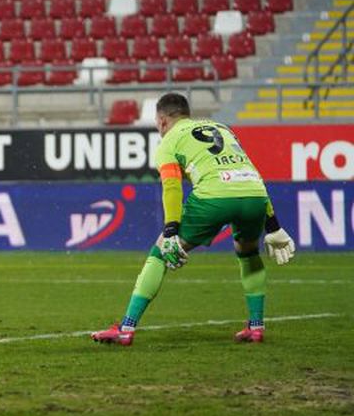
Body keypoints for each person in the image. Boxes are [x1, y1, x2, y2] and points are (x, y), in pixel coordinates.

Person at [92, 92, 297, 346]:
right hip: (254, 195)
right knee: (247, 252)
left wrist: (170, 231)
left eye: (157, 123)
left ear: (163, 120)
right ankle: (256, 326)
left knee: (159, 253)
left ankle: (126, 327)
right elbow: (248, 172)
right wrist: (273, 225)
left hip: (214, 197)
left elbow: (172, 188)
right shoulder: (222, 128)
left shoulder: (169, 141)